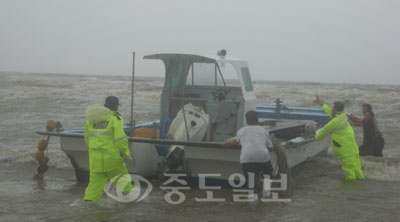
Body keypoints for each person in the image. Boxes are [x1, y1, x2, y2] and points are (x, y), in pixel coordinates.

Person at [83, 96, 133, 202]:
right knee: (124, 183)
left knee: (93, 188)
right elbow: (120, 139)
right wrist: (126, 154)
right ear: (116, 106)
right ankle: (130, 202)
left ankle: (88, 206)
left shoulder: (92, 119)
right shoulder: (115, 118)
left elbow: (87, 139)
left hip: (95, 161)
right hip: (112, 160)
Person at [223, 110, 274, 200]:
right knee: (268, 175)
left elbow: (234, 142)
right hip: (263, 158)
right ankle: (267, 194)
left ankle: (252, 204)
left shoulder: (241, 131)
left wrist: (225, 145)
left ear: (246, 120)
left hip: (247, 159)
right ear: (257, 119)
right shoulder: (264, 131)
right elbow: (271, 148)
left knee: (251, 184)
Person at [314, 95, 365, 181]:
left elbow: (324, 131)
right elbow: (330, 111)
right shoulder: (343, 115)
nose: (332, 109)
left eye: (333, 108)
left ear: (336, 110)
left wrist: (315, 136)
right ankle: (361, 183)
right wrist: (321, 104)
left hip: (344, 148)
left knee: (348, 169)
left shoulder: (335, 121)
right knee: (357, 167)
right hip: (352, 147)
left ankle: (351, 188)